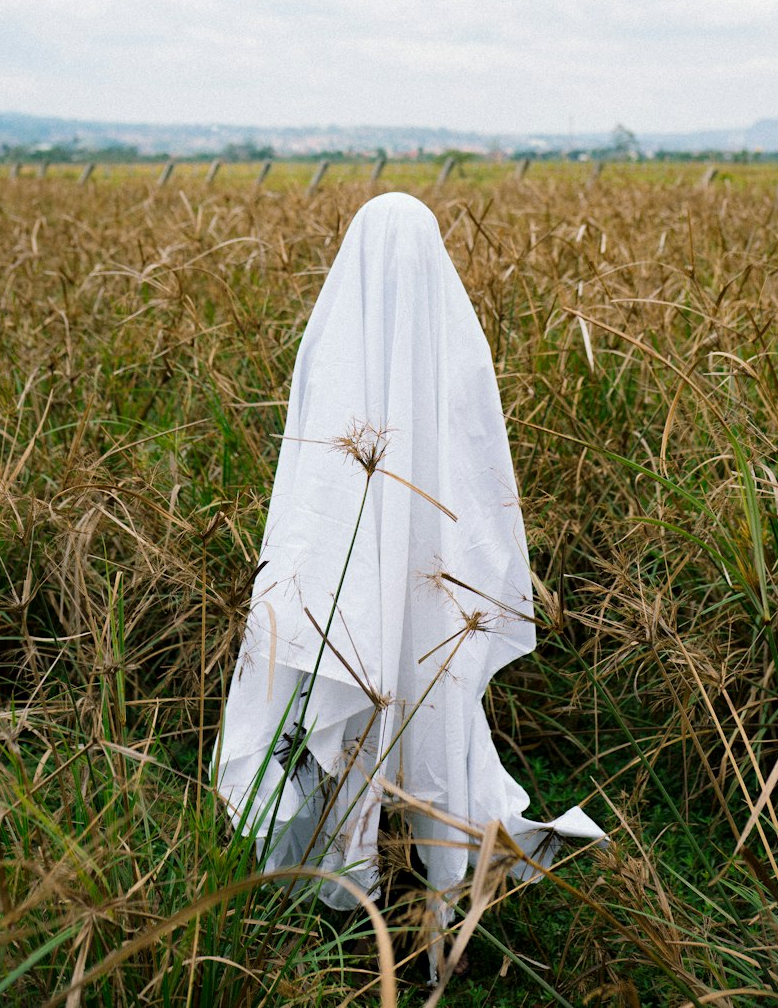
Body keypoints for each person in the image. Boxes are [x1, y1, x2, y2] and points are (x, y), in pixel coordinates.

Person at [212, 192, 605, 973]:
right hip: (435, 591)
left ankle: (350, 907)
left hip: (350, 591)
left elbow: (310, 484)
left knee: (345, 723)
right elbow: (480, 476)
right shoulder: (455, 342)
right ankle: (437, 922)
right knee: (439, 725)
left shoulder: (334, 340)